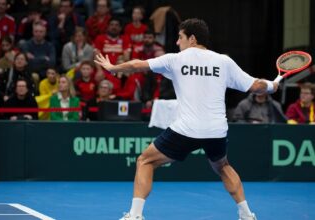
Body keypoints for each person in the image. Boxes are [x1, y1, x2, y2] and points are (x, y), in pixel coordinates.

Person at [95, 18, 279, 220]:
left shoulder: (175, 59)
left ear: (192, 39)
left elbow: (137, 65)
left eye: (180, 37)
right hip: (216, 131)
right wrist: (272, 86)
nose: (177, 42)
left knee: (145, 161)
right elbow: (256, 86)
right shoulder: (224, 62)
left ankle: (135, 215)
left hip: (186, 130)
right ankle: (247, 215)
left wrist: (112, 68)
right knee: (223, 166)